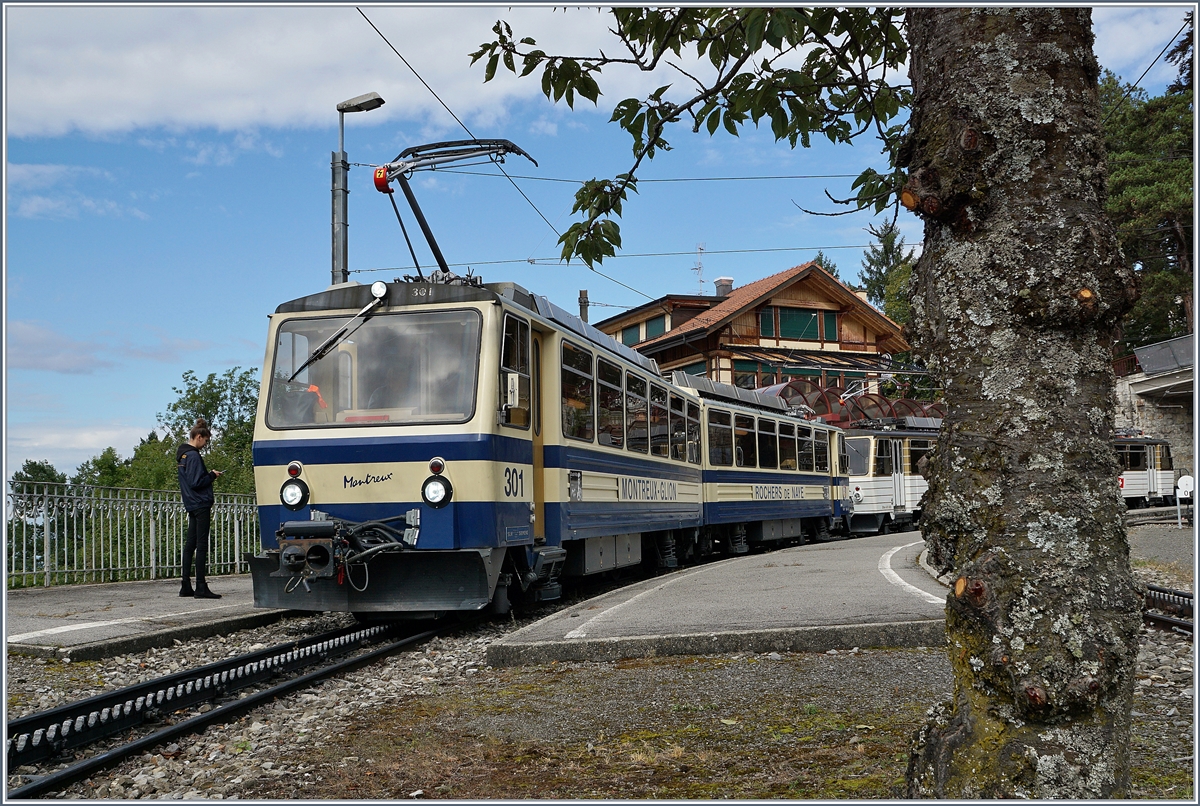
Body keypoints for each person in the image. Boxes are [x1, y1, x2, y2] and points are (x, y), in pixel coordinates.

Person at [176, 417, 224, 599]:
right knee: (201, 545)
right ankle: (201, 587)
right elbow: (196, 482)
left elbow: (189, 481)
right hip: (201, 503)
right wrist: (211, 475)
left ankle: (186, 585)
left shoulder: (183, 456)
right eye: (205, 441)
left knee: (190, 545)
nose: (205, 444)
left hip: (190, 503)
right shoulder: (194, 456)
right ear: (198, 436)